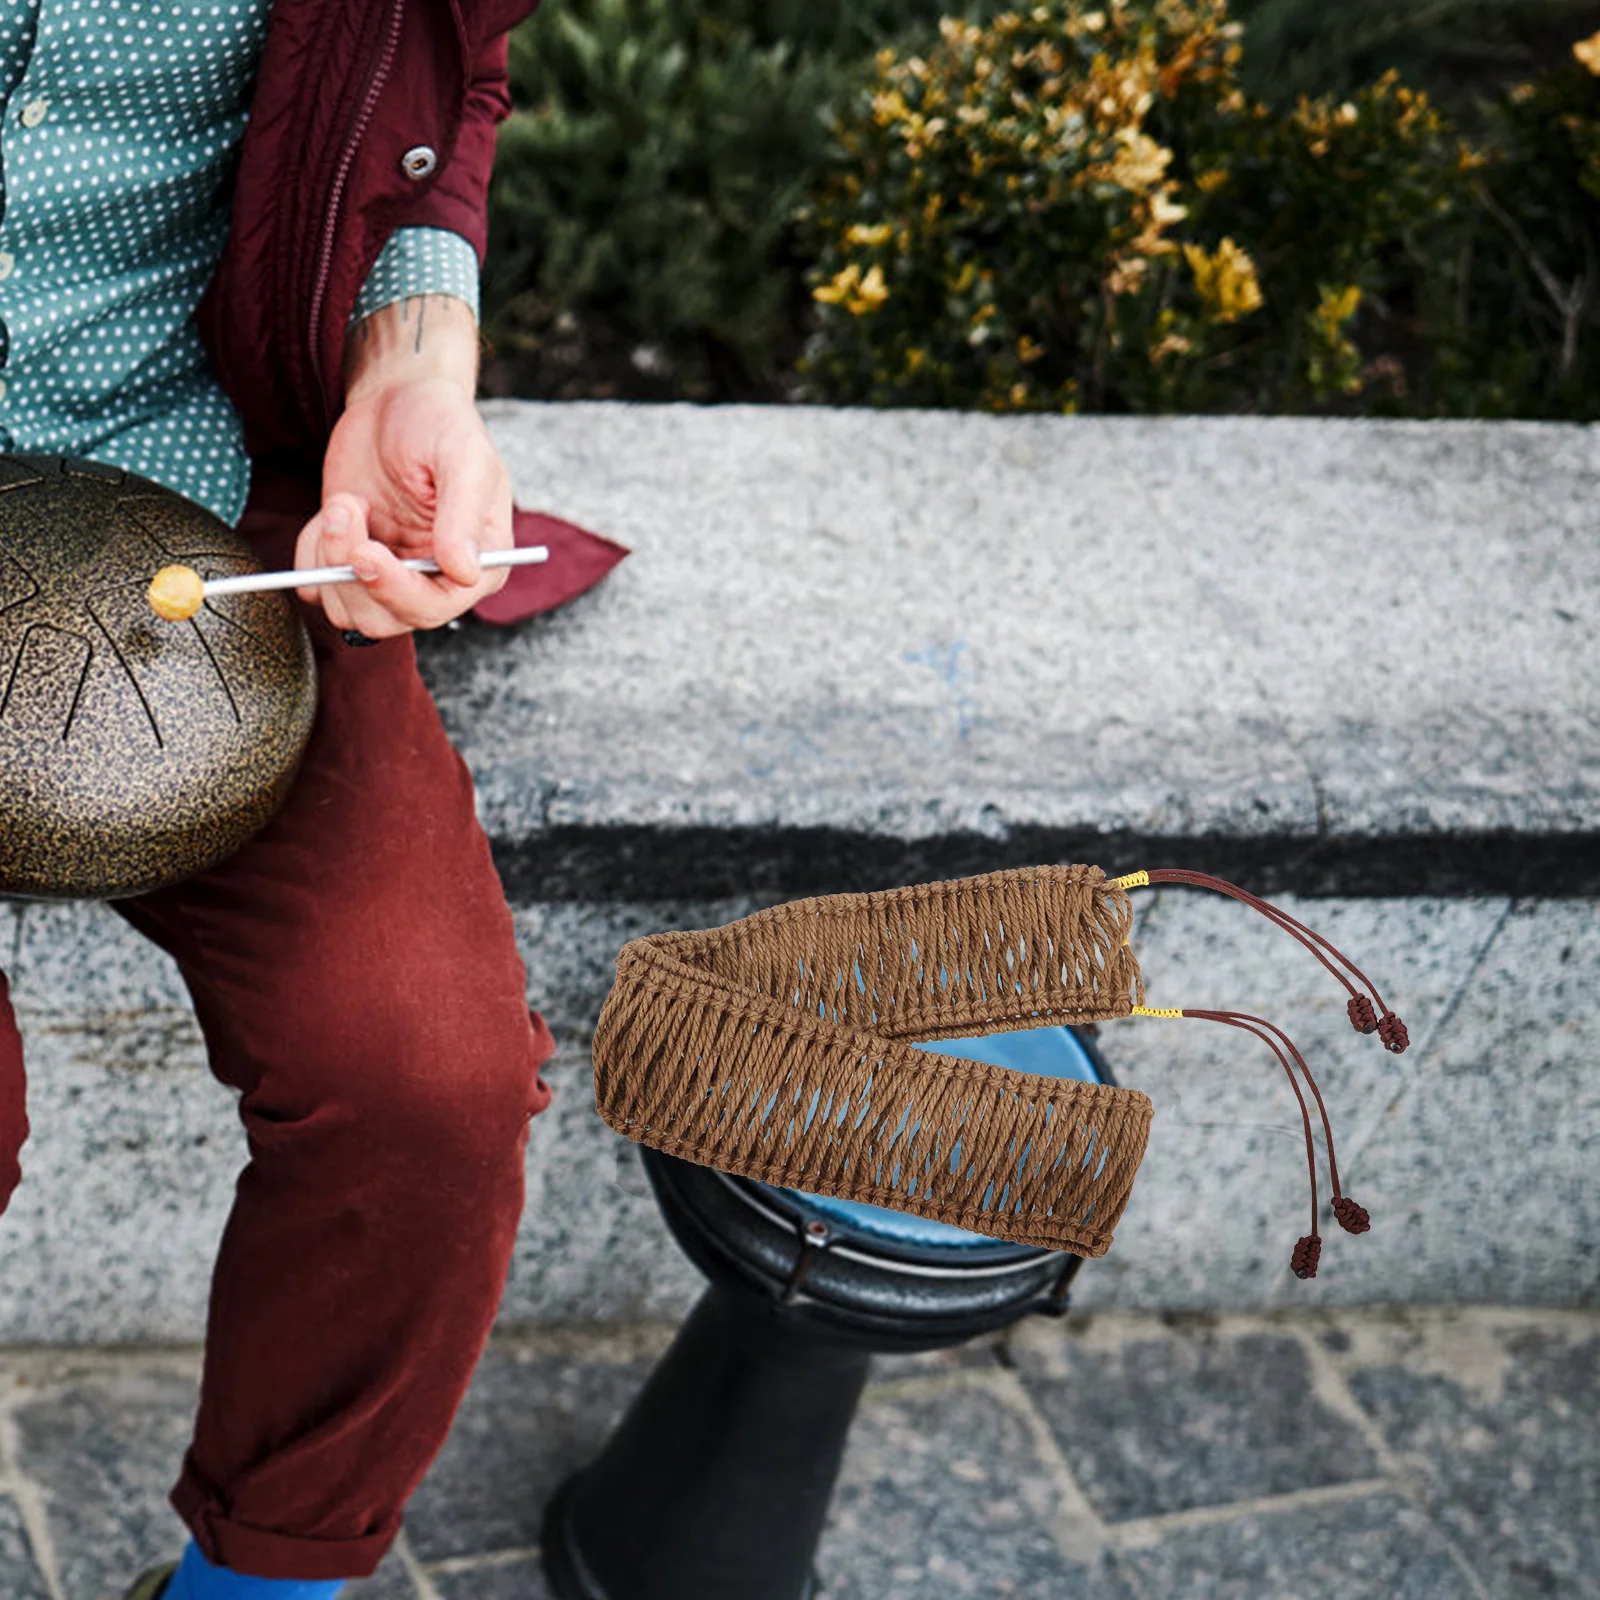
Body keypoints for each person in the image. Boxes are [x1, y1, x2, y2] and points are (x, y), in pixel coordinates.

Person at [0, 3, 559, 1596]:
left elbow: (430, 89)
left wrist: (415, 362)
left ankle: (262, 1582)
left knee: (425, 1076)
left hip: (196, 499)